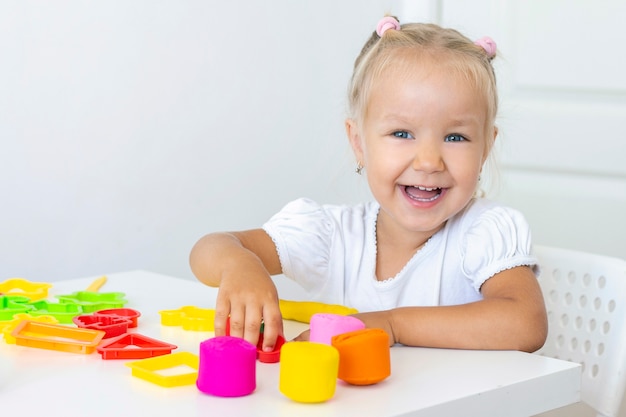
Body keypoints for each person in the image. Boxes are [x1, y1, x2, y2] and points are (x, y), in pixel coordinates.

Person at [189, 16, 548, 354]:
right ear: (359, 142)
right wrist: (239, 264)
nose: (428, 161)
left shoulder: (483, 232)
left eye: (455, 137)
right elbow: (210, 249)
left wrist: (389, 325)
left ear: (485, 147)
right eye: (402, 133)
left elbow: (526, 323)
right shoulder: (331, 235)